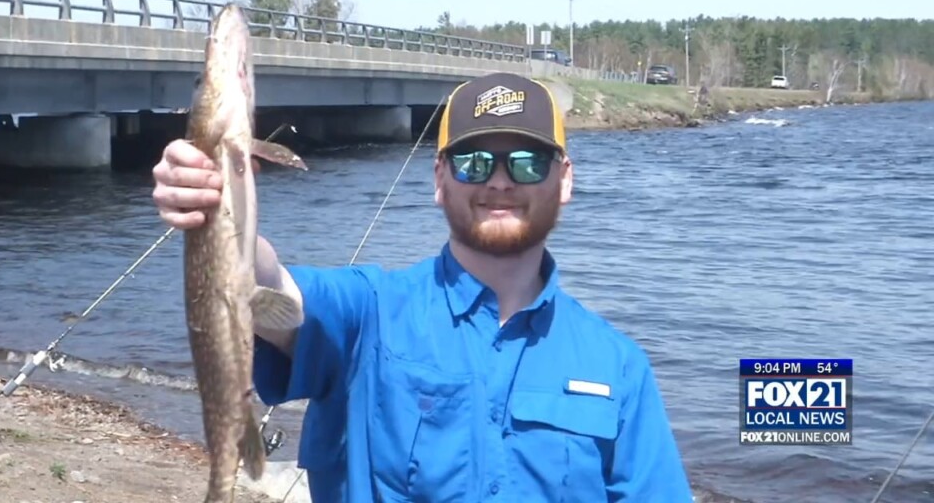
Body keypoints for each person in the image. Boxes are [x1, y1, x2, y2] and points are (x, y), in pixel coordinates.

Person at [151, 72, 694, 502]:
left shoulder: (619, 367)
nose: (499, 180)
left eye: (527, 162)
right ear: (439, 180)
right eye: (474, 162)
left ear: (565, 179)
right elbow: (268, 287)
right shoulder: (369, 313)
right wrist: (211, 201)